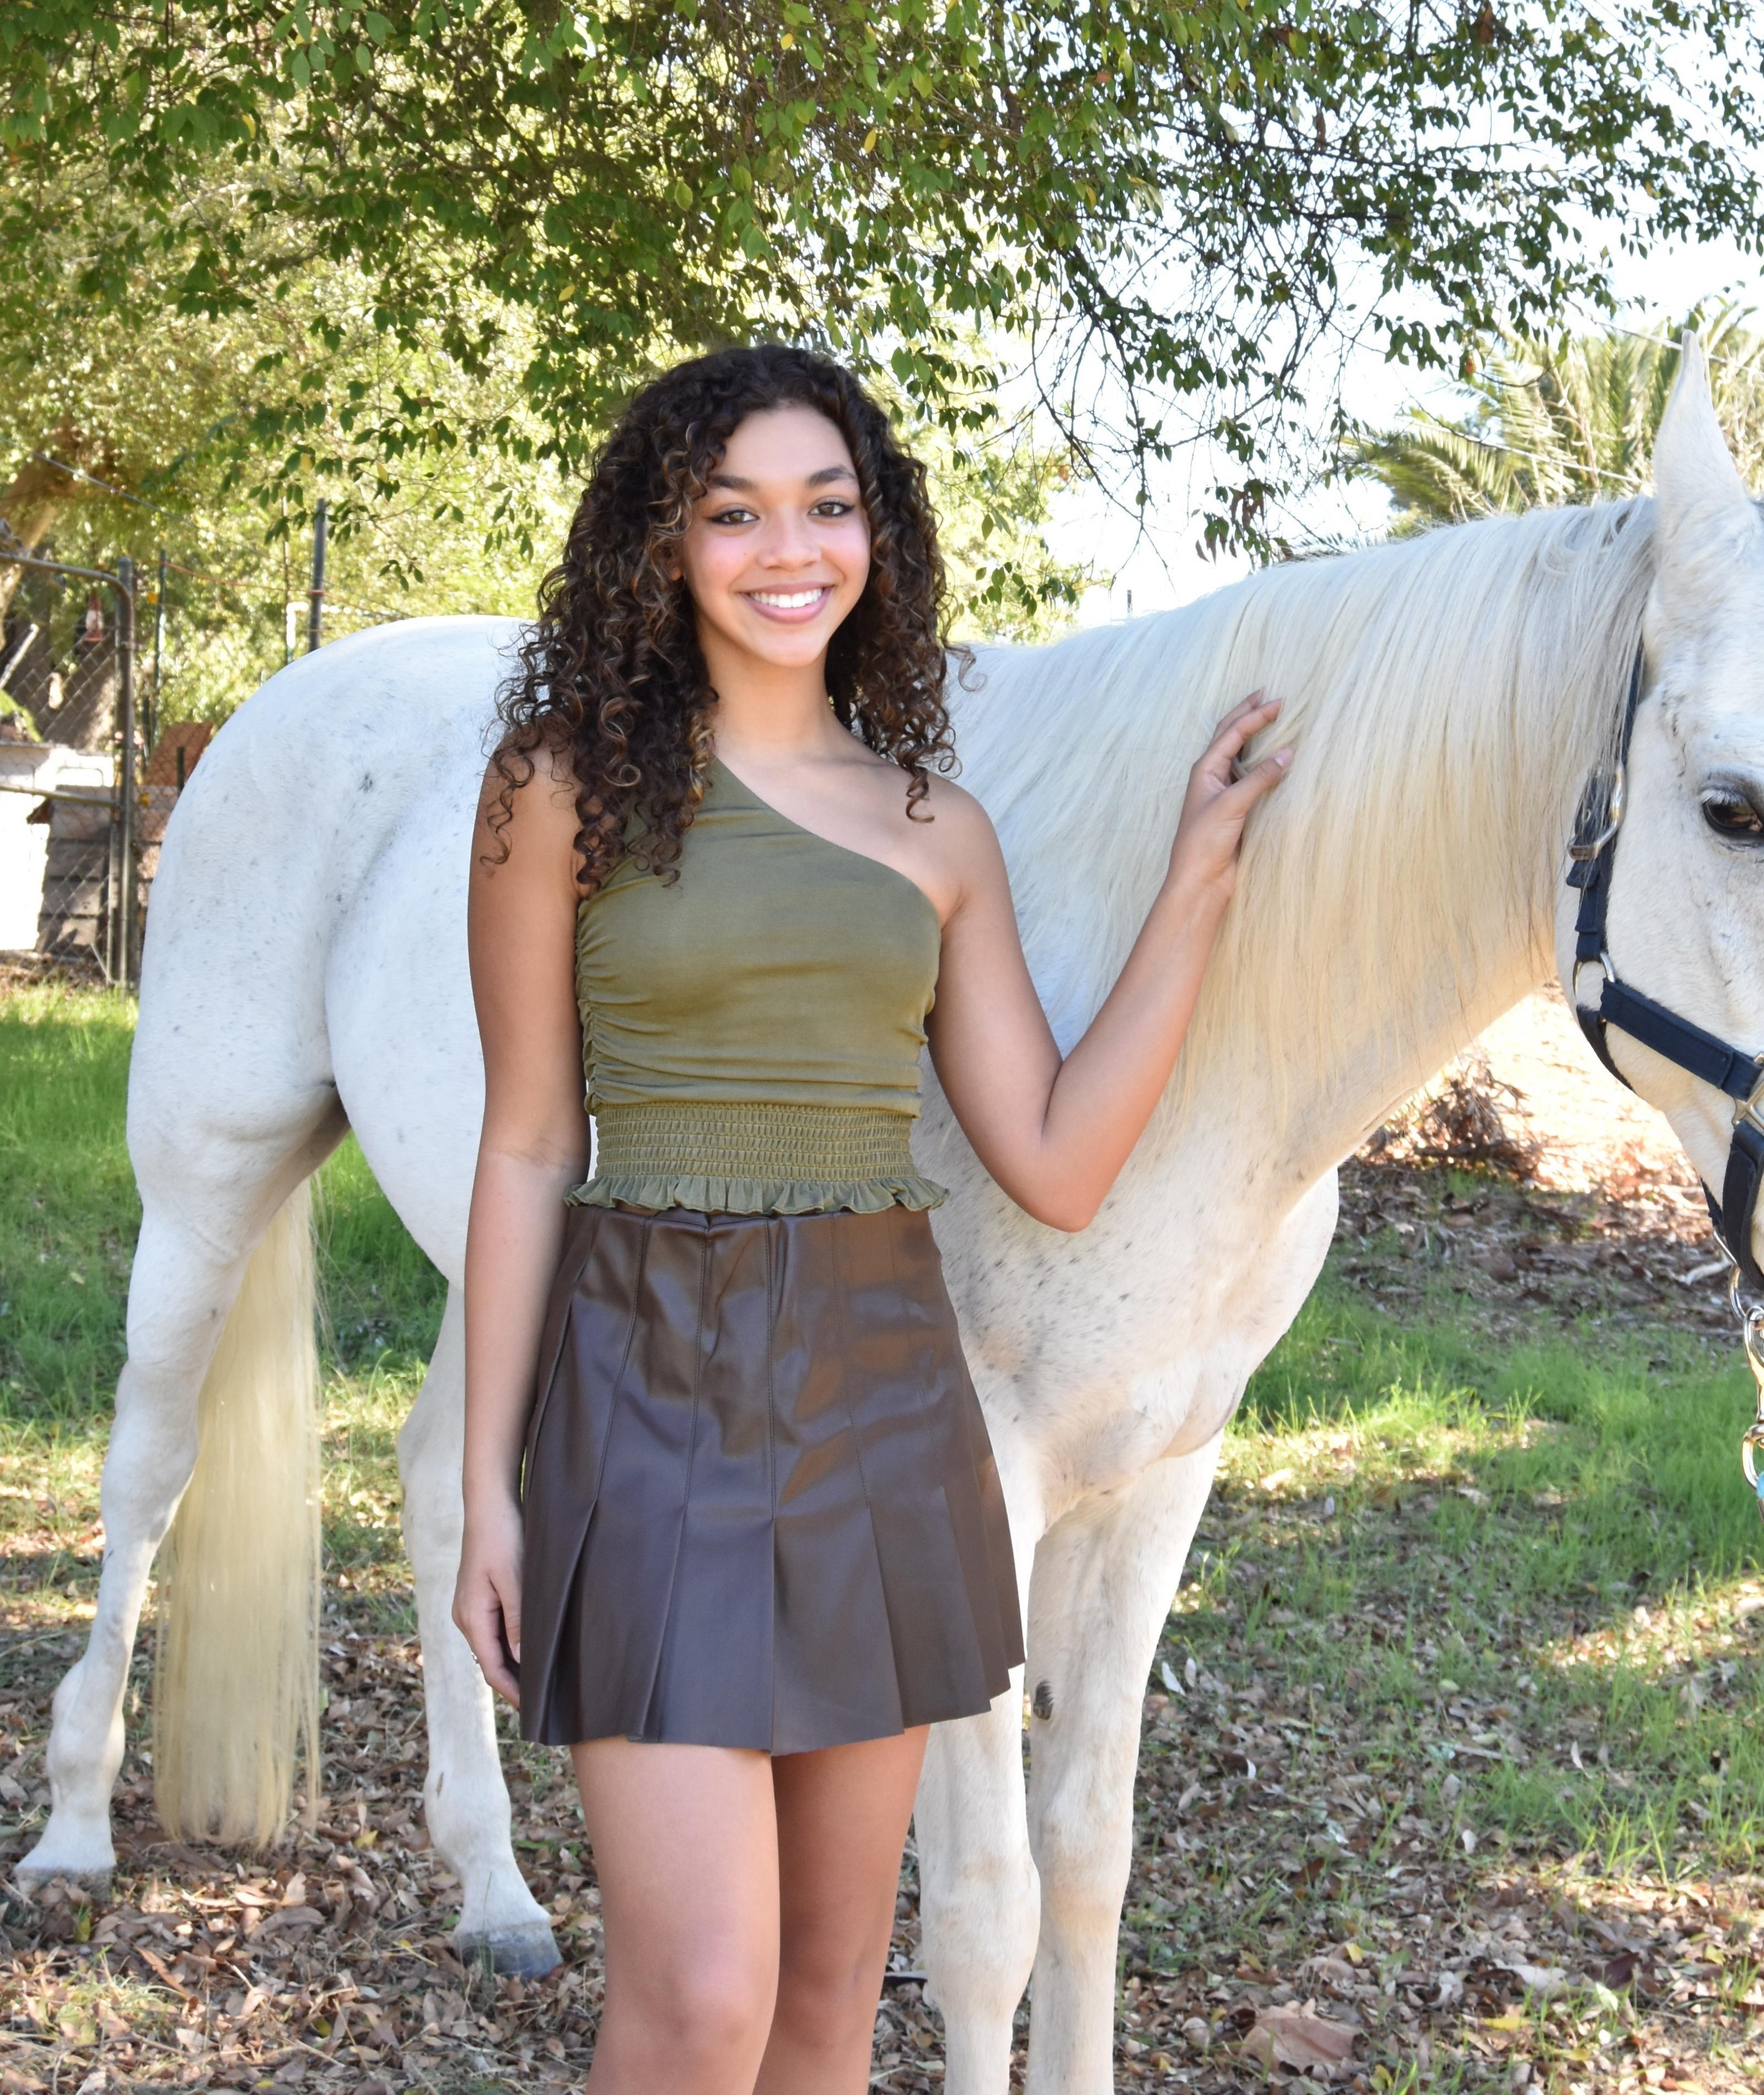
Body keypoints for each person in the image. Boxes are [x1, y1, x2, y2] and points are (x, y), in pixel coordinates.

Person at [453, 343, 1288, 2094]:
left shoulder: (936, 831)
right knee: (702, 1997)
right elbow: (527, 1142)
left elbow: (1056, 1158)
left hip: (882, 1404)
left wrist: (1194, 886)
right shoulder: (559, 790)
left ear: (879, 536)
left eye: (828, 506)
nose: (789, 549)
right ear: (662, 545)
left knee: (834, 2000)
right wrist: (489, 1497)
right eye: (734, 510)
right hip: (646, 1387)